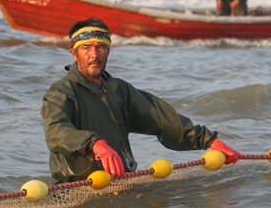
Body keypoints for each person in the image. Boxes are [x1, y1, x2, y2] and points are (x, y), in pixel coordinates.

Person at [41, 18, 242, 183]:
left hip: (122, 182)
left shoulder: (120, 90)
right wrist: (95, 143)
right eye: (86, 48)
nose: (94, 55)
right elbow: (55, 132)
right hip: (77, 185)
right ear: (74, 53)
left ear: (108, 50)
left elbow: (161, 119)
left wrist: (208, 140)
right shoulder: (61, 92)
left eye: (100, 47)